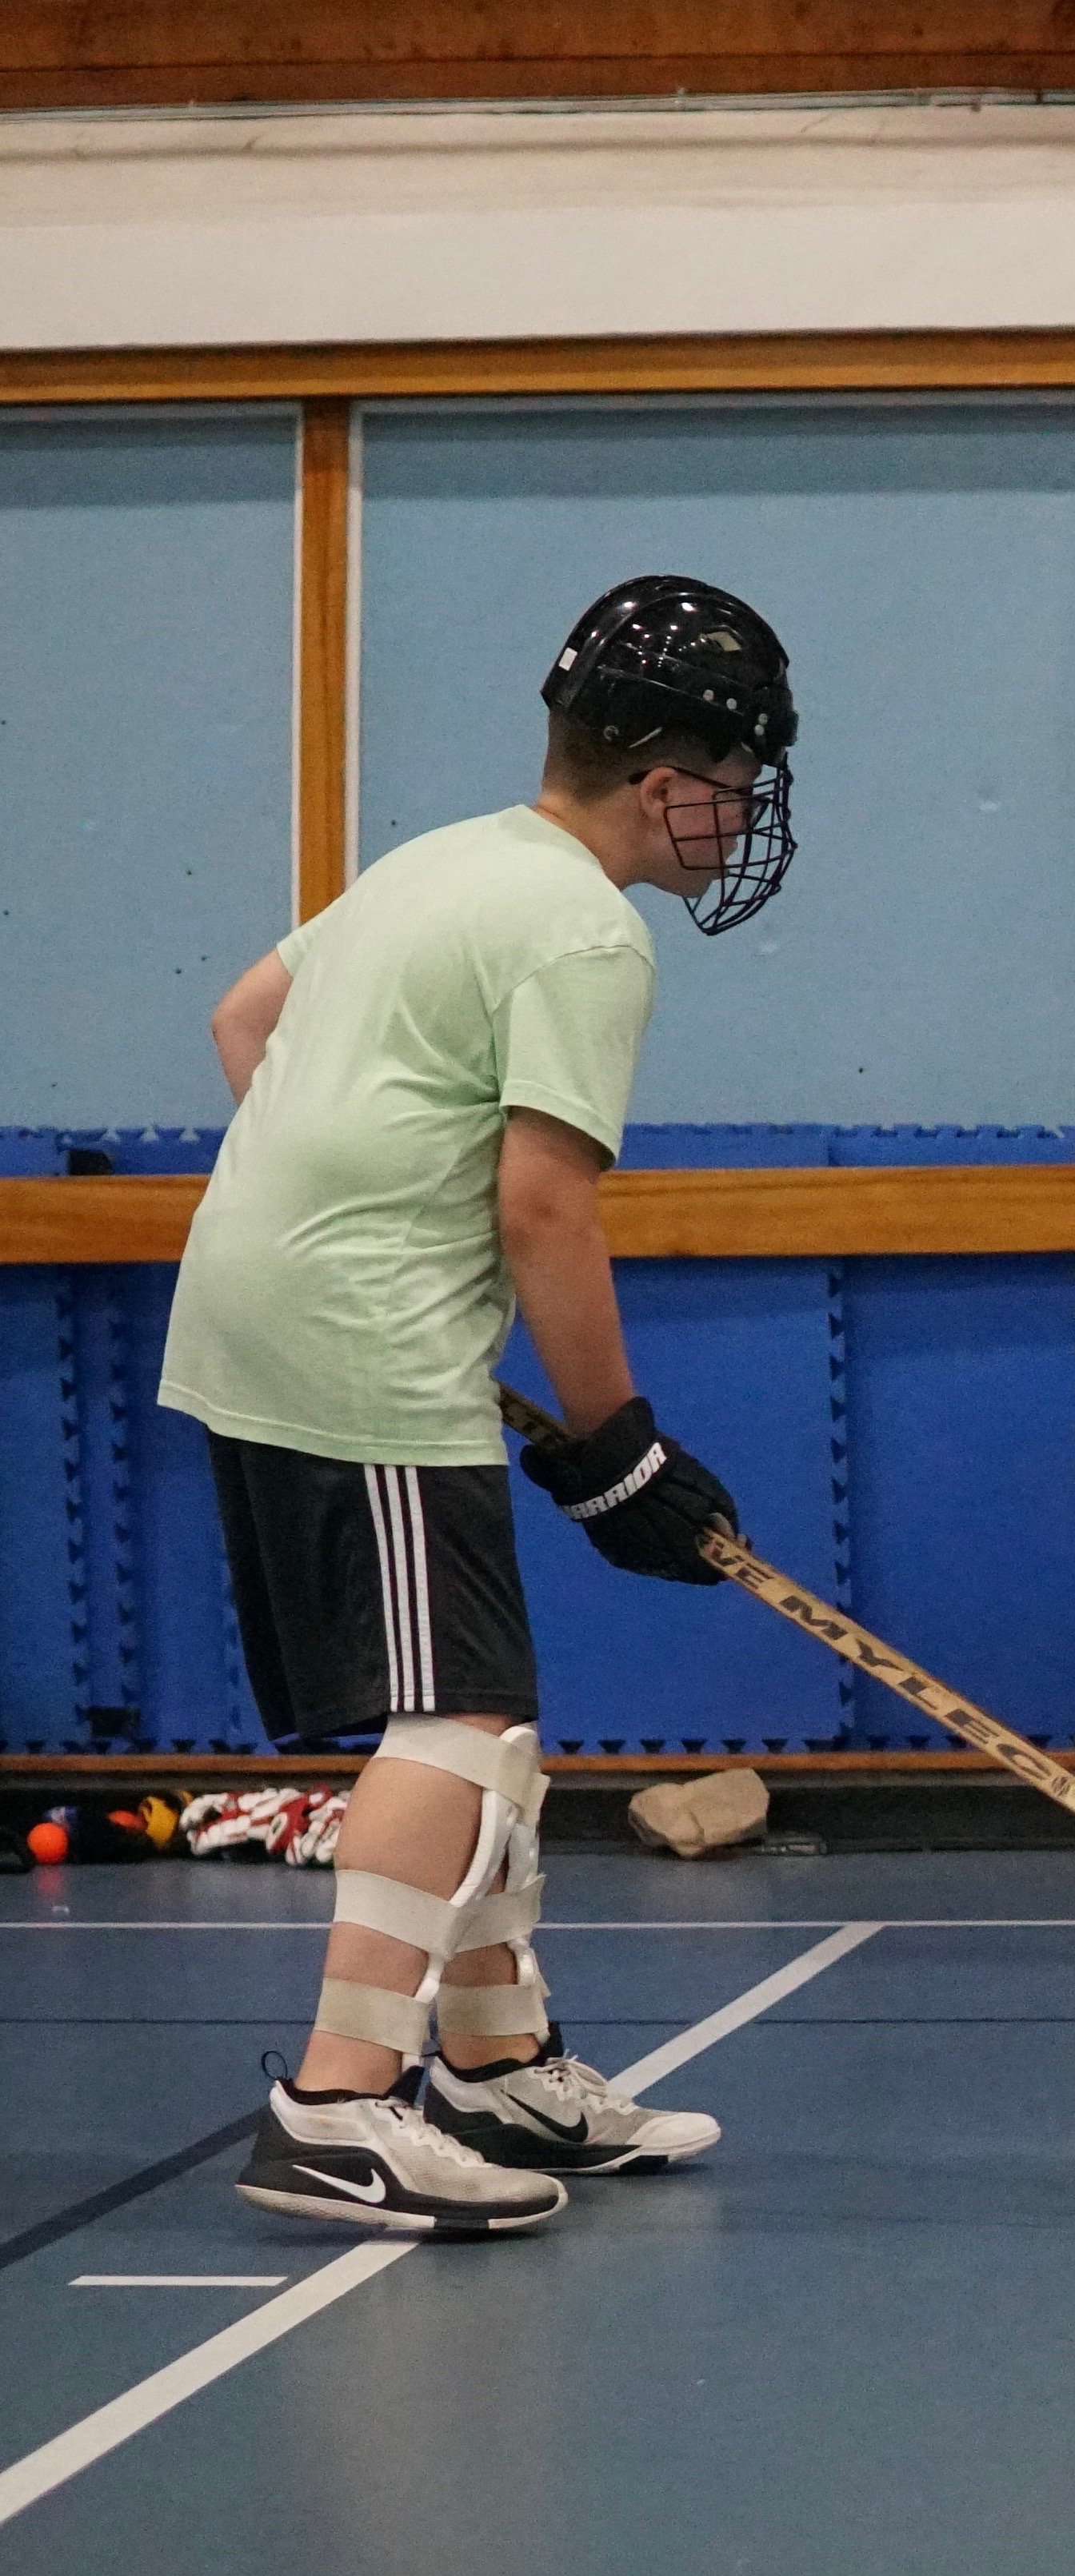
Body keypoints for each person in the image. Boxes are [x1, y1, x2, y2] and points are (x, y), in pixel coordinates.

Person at [166, 576, 800, 2231]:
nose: (741, 813)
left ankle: (495, 2064)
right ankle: (340, 2104)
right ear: (666, 774)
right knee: (455, 1721)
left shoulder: (448, 856)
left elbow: (249, 1022)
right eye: (734, 774)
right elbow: (542, 1208)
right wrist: (620, 1443)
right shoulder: (588, 925)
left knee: (485, 1712)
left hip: (284, 1306)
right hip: (358, 1337)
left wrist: (340, 1207)